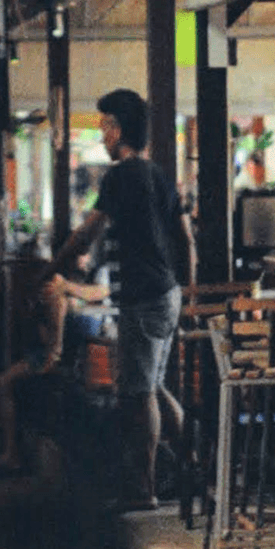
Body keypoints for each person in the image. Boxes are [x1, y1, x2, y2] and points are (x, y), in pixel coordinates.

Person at [49, 88, 194, 510]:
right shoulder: (160, 175)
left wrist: (50, 269)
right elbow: (185, 240)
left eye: (104, 128)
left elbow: (85, 234)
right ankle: (192, 466)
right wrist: (186, 291)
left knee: (139, 393)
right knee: (155, 386)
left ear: (118, 129)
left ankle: (143, 489)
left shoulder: (120, 176)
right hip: (166, 294)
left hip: (143, 297)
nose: (101, 138)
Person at [0, 252, 109, 476]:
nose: (85, 258)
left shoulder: (80, 286)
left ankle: (11, 454)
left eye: (86, 254)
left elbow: (101, 292)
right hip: (62, 347)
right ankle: (12, 451)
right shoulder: (69, 290)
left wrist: (53, 351)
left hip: (70, 350)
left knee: (4, 382)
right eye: (82, 254)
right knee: (6, 383)